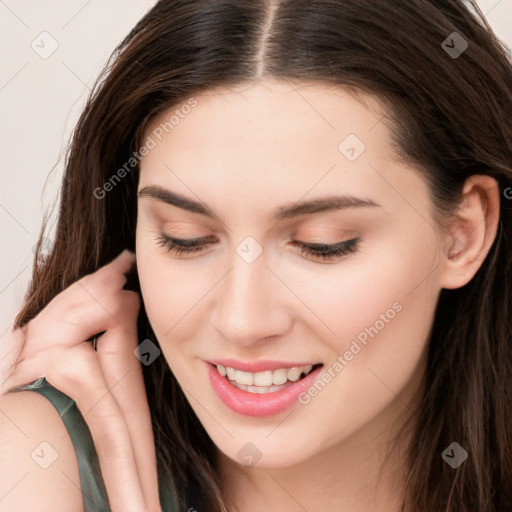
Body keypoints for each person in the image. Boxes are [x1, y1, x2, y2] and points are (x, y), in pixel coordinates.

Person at [1, 0, 511, 511]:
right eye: (185, 238)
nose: (242, 321)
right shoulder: (36, 469)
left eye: (322, 244)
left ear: (461, 234)